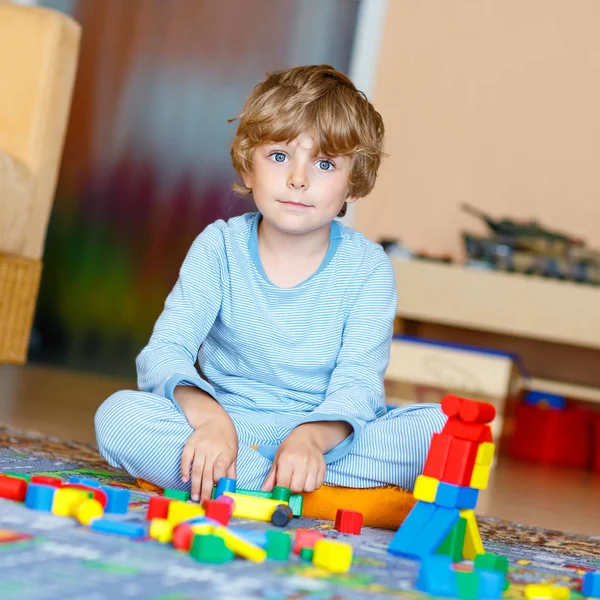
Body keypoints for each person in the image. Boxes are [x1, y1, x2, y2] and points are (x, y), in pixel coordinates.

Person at [95, 64, 446, 503]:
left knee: (440, 431)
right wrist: (210, 421)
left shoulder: (369, 267)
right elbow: (166, 351)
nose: (298, 179)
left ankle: (245, 481)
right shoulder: (218, 246)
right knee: (118, 417)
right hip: (229, 424)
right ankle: (299, 491)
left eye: (324, 163)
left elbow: (359, 383)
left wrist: (312, 439)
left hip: (327, 438)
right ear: (248, 167)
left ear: (353, 184)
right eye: (279, 157)